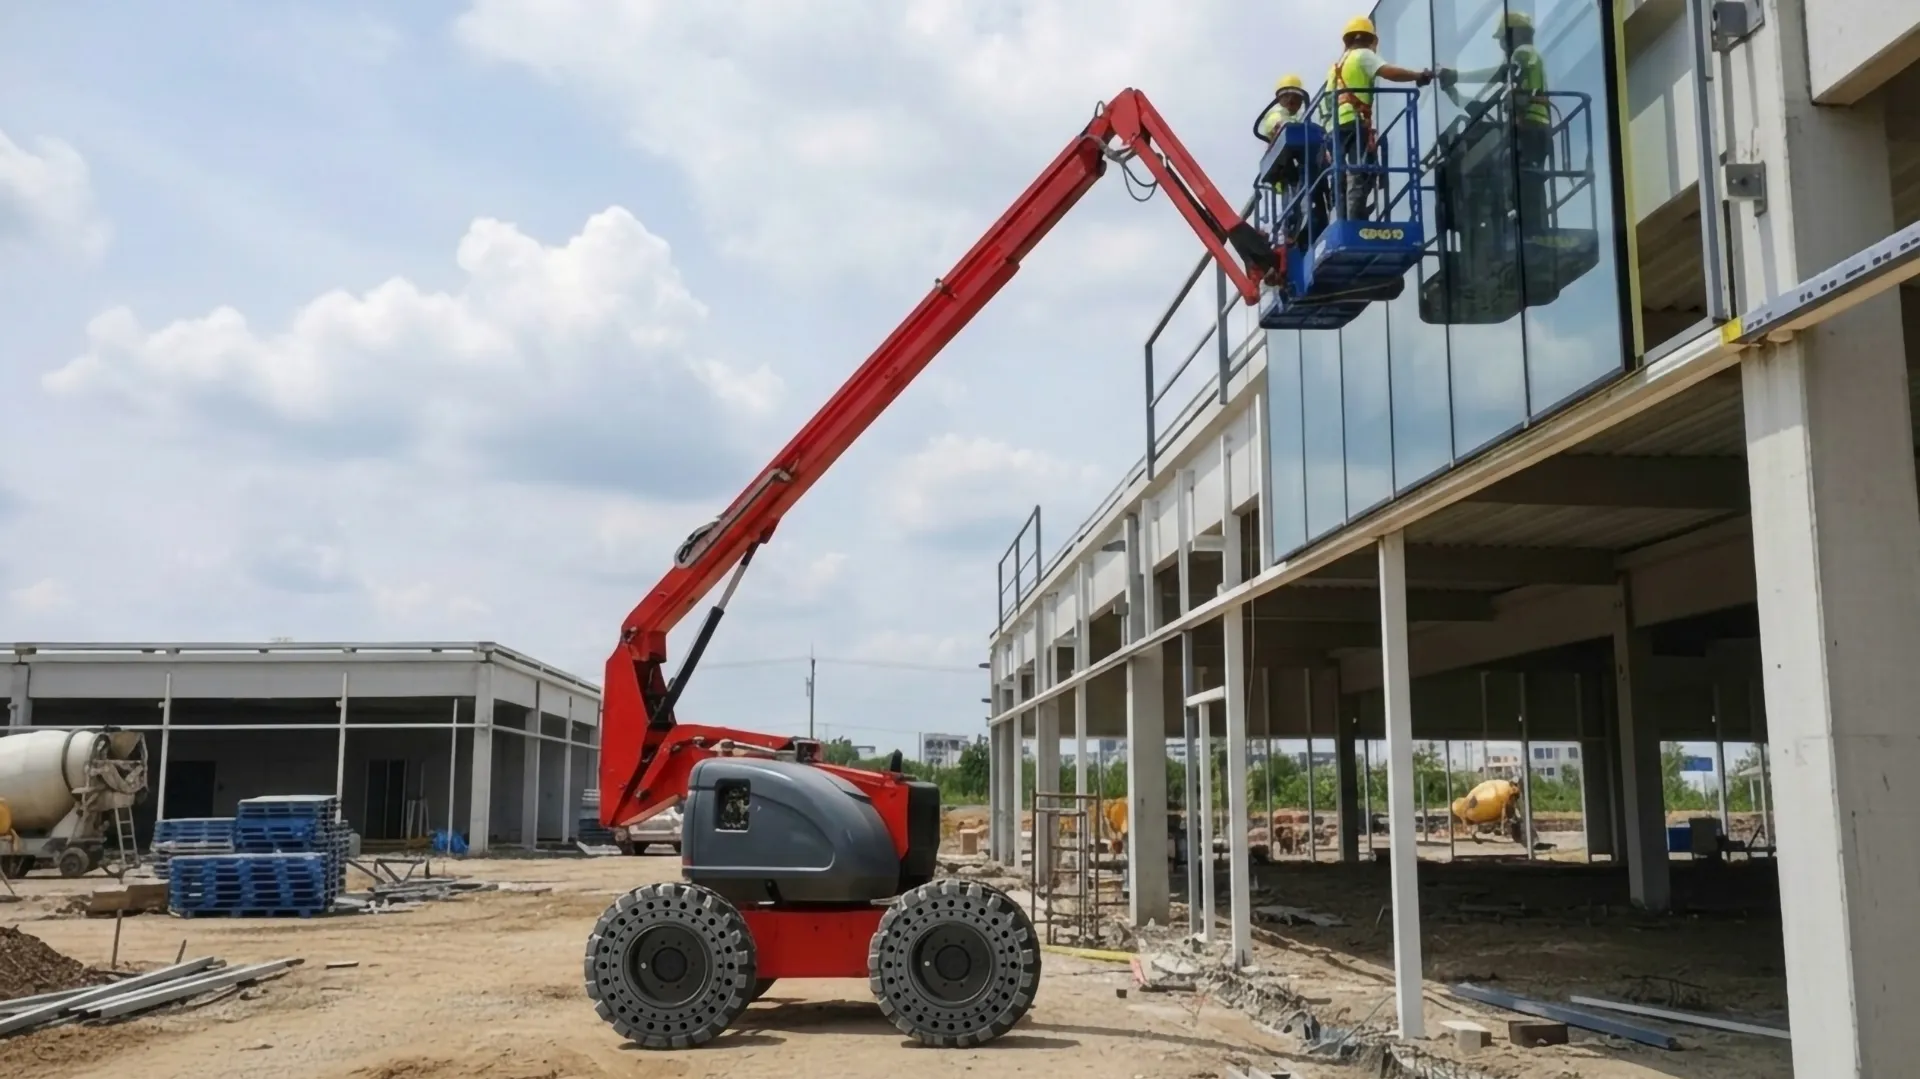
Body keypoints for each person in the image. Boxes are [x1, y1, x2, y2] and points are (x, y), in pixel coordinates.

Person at [1440, 11, 1553, 229]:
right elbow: (1499, 76)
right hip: (1534, 128)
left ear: (1515, 34)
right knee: (1529, 181)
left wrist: (1456, 77)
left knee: (1524, 181)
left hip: (1529, 126)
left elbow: (1502, 74)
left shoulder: (1523, 52)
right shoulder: (1525, 56)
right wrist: (1455, 82)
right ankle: (1533, 226)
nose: (1502, 45)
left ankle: (1528, 227)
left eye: (1503, 39)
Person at [1321, 15, 1433, 220]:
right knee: (1361, 171)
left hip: (1333, 128)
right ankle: (1355, 219)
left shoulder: (1334, 69)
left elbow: (1325, 103)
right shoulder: (1363, 54)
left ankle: (1342, 218)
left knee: (1341, 174)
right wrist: (1418, 76)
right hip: (1354, 122)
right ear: (1371, 40)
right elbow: (1389, 72)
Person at [1254, 75, 1324, 247]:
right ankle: (1285, 234)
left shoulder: (1298, 118)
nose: (1293, 101)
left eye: (1297, 98)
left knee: (1303, 197)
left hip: (1296, 171)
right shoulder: (1276, 115)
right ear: (1281, 98)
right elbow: (1281, 127)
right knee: (1292, 205)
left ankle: (1297, 230)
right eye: (1289, 97)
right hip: (1286, 172)